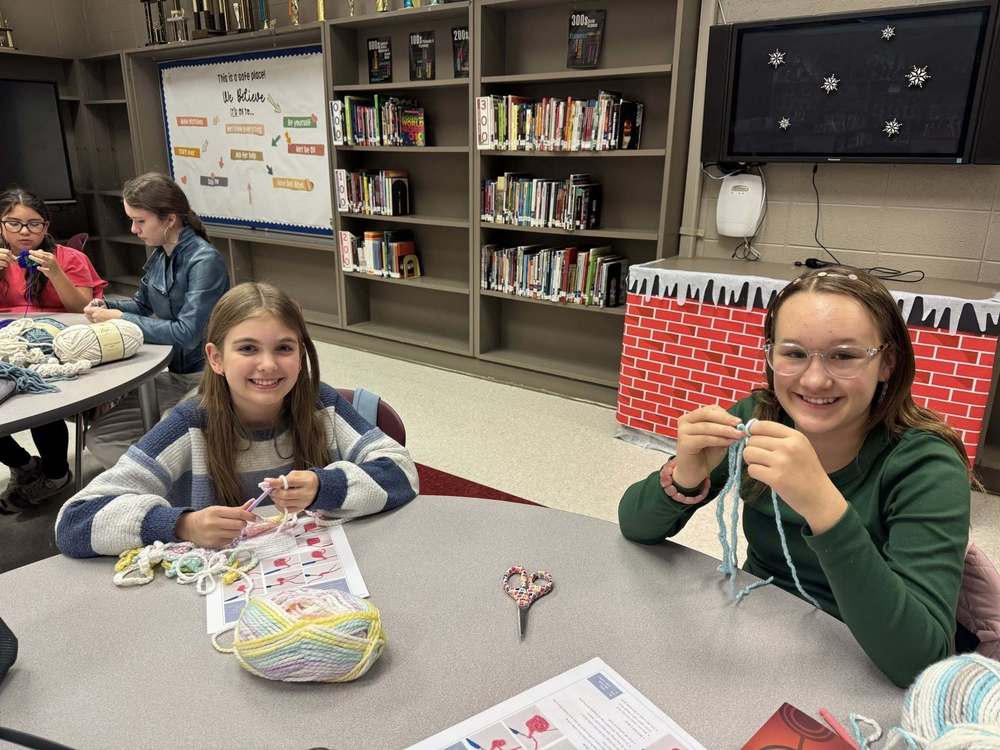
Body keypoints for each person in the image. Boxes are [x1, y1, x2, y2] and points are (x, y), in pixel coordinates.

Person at [618, 266, 972, 688]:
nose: (815, 379)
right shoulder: (760, 415)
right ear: (770, 355)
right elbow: (635, 527)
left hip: (859, 661)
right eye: (793, 353)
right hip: (757, 629)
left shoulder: (926, 465)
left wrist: (823, 505)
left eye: (843, 355)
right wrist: (687, 474)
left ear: (887, 362)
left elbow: (920, 662)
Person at [56, 281, 419, 556]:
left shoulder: (320, 404)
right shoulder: (188, 424)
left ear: (301, 353)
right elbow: (74, 521)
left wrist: (326, 487)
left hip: (316, 569)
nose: (268, 364)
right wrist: (183, 524)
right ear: (215, 358)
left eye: (284, 348)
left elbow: (402, 471)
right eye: (247, 348)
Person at [82, 172, 229, 469]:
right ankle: (159, 472)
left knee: (166, 438)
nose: (133, 229)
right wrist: (106, 304)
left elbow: (188, 333)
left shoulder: (204, 260)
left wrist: (122, 318)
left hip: (204, 376)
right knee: (99, 438)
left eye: (140, 220)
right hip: (170, 371)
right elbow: (142, 303)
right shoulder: (161, 254)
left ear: (169, 219)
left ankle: (165, 478)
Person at [0, 188, 107, 511]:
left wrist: (56, 274)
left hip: (57, 349)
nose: (24, 233)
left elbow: (84, 310)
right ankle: (23, 466)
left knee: (42, 403)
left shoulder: (70, 259)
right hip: (8, 348)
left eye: (34, 224)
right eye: (14, 224)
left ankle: (56, 474)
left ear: (46, 227)